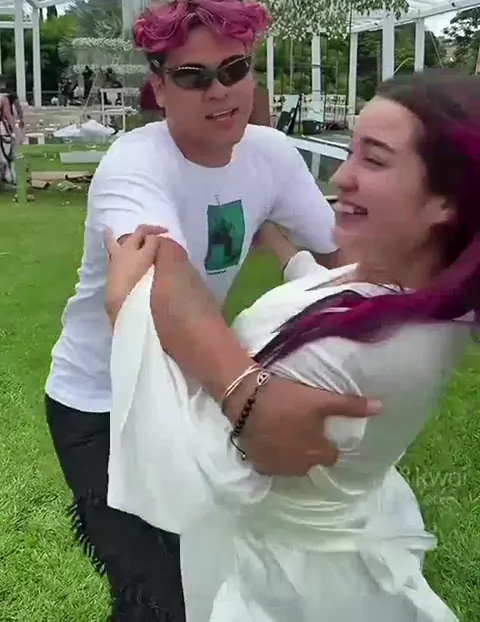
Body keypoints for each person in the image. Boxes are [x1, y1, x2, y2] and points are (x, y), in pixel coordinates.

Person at [44, 0, 375, 622]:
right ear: (160, 87)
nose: (218, 90)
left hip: (190, 392)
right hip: (101, 402)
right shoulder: (135, 162)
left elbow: (341, 254)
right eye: (193, 76)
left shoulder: (271, 154)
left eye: (234, 70)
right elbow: (162, 280)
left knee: (209, 574)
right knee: (154, 593)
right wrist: (251, 400)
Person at [106, 69, 478, 622]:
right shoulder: (411, 294)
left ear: (447, 200)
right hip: (336, 548)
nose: (343, 177)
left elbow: (197, 469)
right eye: (350, 152)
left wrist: (126, 311)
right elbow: (322, 285)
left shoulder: (360, 350)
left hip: (281, 585)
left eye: (375, 161)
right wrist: (279, 243)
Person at [0, 77, 17, 187]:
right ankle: (9, 177)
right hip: (2, 129)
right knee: (6, 156)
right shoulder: (4, 98)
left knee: (4, 156)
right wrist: (14, 131)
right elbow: (8, 115)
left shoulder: (3, 98)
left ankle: (8, 177)